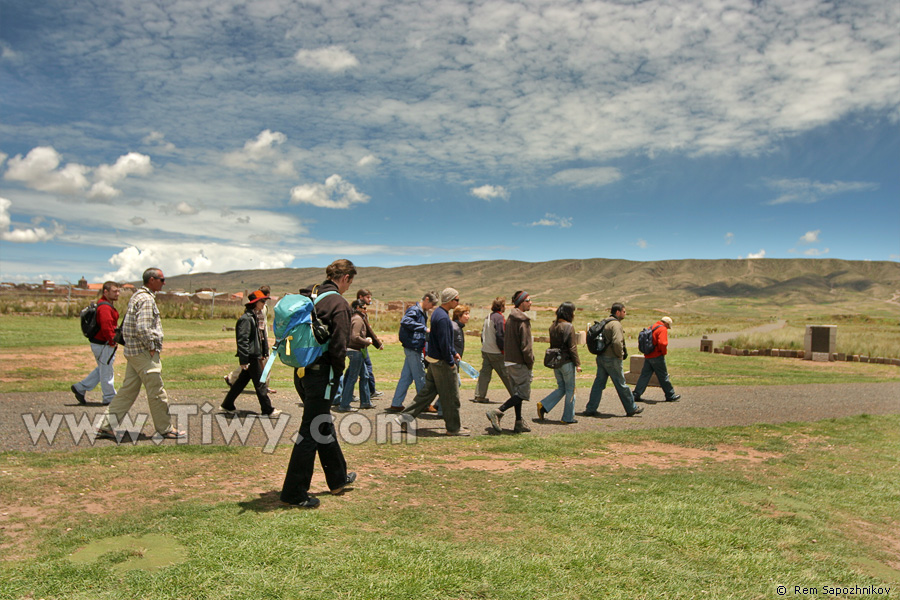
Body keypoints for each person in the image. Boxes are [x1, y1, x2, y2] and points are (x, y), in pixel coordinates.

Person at [280, 259, 358, 509]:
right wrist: (337, 373)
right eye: (351, 281)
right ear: (345, 278)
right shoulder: (338, 303)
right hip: (322, 376)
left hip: (302, 373)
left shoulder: (312, 297)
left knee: (321, 423)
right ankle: (293, 492)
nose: (349, 287)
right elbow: (338, 346)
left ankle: (337, 478)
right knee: (311, 431)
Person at [95, 268, 186, 440]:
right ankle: (165, 428)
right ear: (151, 280)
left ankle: (105, 426)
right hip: (143, 353)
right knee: (157, 391)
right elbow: (143, 327)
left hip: (134, 351)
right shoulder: (145, 299)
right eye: (161, 279)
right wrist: (151, 346)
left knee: (128, 390)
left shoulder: (138, 296)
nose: (164, 282)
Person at [394, 288, 470, 436]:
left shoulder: (438, 314)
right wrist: (450, 360)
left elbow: (442, 340)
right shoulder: (442, 317)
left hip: (434, 360)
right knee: (451, 396)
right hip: (441, 362)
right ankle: (454, 428)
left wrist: (454, 352)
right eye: (456, 300)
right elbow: (443, 342)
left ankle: (405, 418)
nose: (458, 302)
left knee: (426, 394)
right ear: (449, 300)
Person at [220, 290, 281, 418]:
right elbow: (243, 340)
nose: (264, 304)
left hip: (255, 354)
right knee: (260, 383)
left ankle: (227, 404)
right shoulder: (246, 319)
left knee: (240, 382)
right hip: (251, 356)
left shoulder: (255, 317)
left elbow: (261, 337)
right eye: (262, 301)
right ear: (255, 303)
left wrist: (264, 352)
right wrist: (243, 359)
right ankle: (268, 410)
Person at [583, 302, 644, 418]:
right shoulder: (615, 324)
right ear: (618, 312)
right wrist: (619, 355)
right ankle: (631, 408)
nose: (625, 314)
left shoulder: (605, 322)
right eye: (624, 311)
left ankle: (591, 408)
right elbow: (617, 342)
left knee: (598, 384)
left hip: (601, 358)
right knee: (621, 384)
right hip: (612, 359)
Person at [486, 291, 534, 434]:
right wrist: (530, 363)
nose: (530, 303)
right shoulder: (523, 321)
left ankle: (519, 422)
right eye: (528, 300)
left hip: (509, 360)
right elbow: (526, 347)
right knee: (523, 393)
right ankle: (498, 411)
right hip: (519, 362)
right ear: (521, 302)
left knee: (516, 392)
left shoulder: (511, 318)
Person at [386, 291, 438, 412]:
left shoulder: (421, 312)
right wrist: (424, 329)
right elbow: (405, 321)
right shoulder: (414, 310)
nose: (432, 307)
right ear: (426, 299)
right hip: (413, 347)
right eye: (432, 304)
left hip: (414, 347)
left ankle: (396, 403)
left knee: (406, 377)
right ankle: (424, 404)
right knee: (420, 377)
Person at [71, 281, 120, 405]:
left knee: (103, 368)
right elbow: (106, 326)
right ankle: (109, 397)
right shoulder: (105, 307)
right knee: (106, 370)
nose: (117, 293)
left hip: (100, 343)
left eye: (118, 291)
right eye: (115, 291)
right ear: (106, 292)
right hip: (103, 344)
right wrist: (112, 340)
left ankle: (80, 388)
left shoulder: (104, 305)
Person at [536, 302, 582, 424]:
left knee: (562, 388)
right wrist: (578, 363)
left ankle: (544, 405)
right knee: (570, 389)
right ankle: (568, 417)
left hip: (556, 362)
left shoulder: (553, 326)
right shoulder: (569, 326)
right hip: (567, 362)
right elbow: (572, 347)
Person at [225, 285, 274, 393]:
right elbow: (245, 336)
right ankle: (264, 390)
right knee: (258, 365)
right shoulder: (249, 316)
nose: (264, 304)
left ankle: (231, 387)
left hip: (260, 342)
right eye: (262, 301)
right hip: (256, 344)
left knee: (247, 372)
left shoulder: (260, 310)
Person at [335, 299, 377, 412]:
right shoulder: (358, 319)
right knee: (352, 378)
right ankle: (344, 405)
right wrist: (367, 341)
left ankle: (365, 402)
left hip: (355, 351)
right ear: (358, 308)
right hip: (356, 351)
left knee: (365, 375)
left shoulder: (353, 317)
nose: (366, 310)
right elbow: (355, 336)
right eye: (364, 308)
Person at [471, 297, 513, 403]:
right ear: (501, 306)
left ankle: (479, 395)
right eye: (504, 305)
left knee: (485, 374)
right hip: (496, 352)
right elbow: (500, 335)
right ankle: (516, 395)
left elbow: (483, 334)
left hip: (486, 349)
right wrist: (504, 350)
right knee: (506, 374)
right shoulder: (499, 318)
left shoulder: (488, 316)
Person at [633, 316, 681, 403]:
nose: (667, 328)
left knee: (644, 376)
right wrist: (663, 352)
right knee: (663, 376)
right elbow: (663, 343)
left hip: (648, 355)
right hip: (657, 356)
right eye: (668, 326)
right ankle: (670, 395)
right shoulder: (662, 329)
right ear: (666, 323)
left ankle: (636, 394)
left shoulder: (651, 327)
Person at [356, 289, 383, 399]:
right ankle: (344, 394)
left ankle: (371, 390)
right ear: (361, 297)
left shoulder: (360, 309)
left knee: (357, 370)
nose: (370, 300)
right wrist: (378, 344)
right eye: (368, 297)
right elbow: (368, 330)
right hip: (358, 345)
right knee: (359, 370)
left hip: (361, 345)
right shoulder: (358, 310)